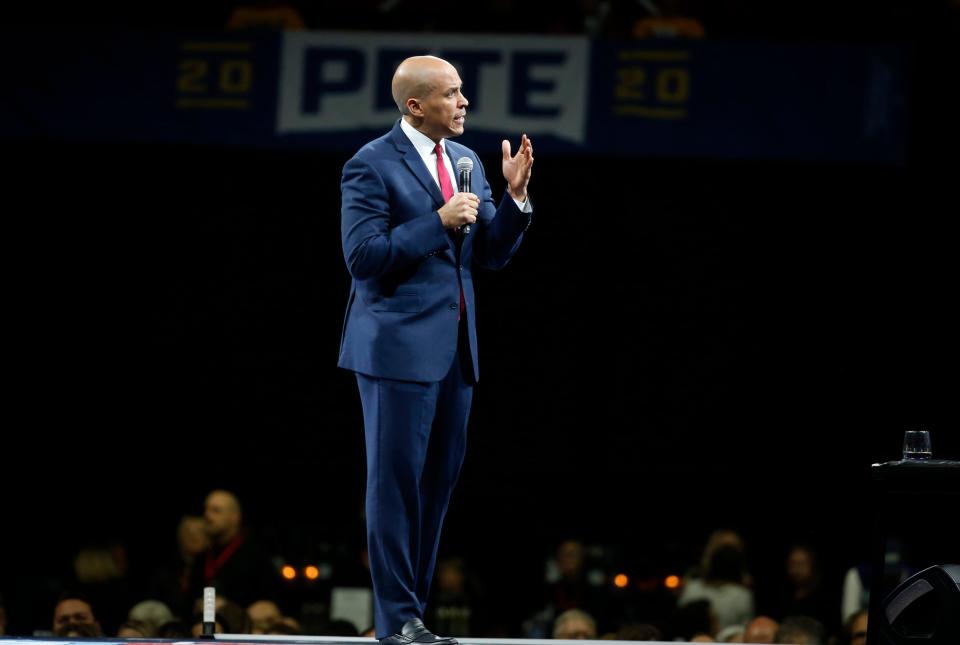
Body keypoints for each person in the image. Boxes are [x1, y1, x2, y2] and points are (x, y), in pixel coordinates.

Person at [338, 54, 534, 645]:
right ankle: (397, 621)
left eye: (463, 91)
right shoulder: (370, 165)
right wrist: (438, 221)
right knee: (394, 485)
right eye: (451, 93)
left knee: (435, 487)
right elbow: (363, 258)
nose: (464, 102)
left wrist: (516, 199)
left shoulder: (468, 160)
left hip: (456, 350)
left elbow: (490, 254)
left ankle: (410, 618)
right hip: (395, 348)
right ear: (415, 106)